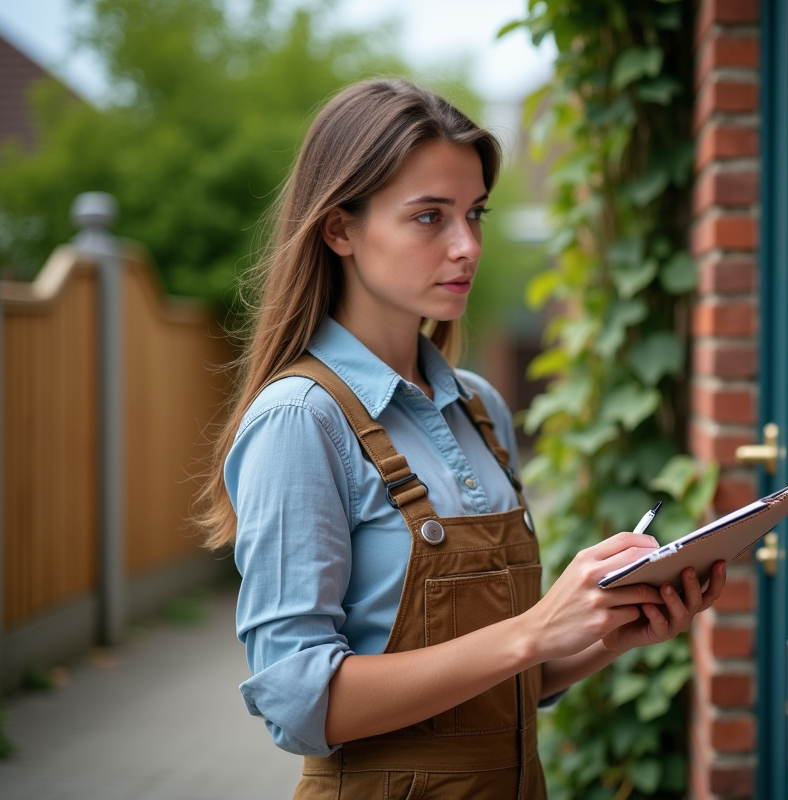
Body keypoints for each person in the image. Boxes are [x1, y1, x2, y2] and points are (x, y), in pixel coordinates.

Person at [197, 78, 727, 799]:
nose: (467, 246)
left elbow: (493, 687)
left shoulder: (477, 407)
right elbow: (297, 702)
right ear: (340, 229)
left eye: (474, 214)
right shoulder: (302, 419)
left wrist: (605, 635)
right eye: (429, 217)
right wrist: (536, 630)